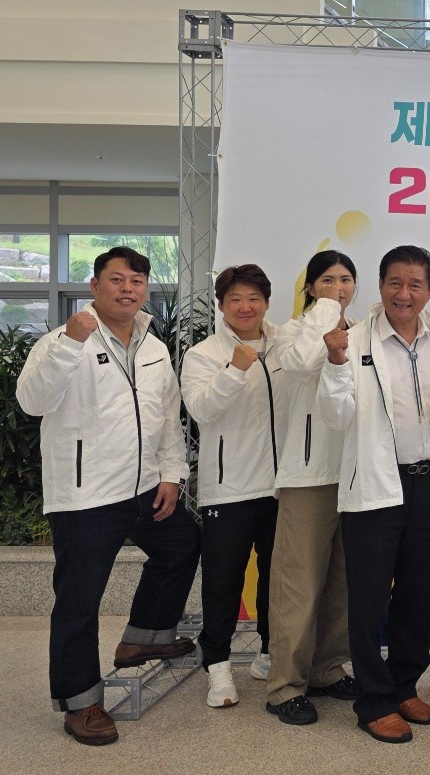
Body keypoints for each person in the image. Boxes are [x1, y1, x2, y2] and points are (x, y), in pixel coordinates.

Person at [17, 245, 200, 745]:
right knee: (79, 601)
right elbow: (32, 401)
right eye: (117, 279)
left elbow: (167, 418)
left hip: (143, 487)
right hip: (86, 496)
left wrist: (171, 475)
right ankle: (80, 702)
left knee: (182, 544)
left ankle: (143, 639)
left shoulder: (154, 348)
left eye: (136, 281)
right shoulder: (61, 340)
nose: (127, 289)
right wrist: (70, 344)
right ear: (95, 286)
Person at [316, 245, 430, 744]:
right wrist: (335, 363)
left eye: (415, 285)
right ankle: (374, 701)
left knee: (418, 592)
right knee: (368, 597)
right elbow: (336, 417)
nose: (404, 294)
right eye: (395, 283)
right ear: (380, 286)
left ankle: (404, 685)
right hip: (376, 482)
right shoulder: (353, 339)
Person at [180, 264, 287, 708]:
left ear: (267, 302)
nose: (245, 307)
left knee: (278, 580)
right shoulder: (203, 354)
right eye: (235, 299)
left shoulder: (285, 345)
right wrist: (235, 369)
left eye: (254, 298)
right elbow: (202, 410)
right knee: (223, 582)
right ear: (222, 306)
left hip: (282, 487)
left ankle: (268, 653)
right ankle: (218, 667)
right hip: (229, 489)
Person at [264, 250, 362, 725]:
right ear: (309, 288)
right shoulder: (291, 332)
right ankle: (285, 685)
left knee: (342, 585)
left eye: (345, 280)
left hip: (357, 475)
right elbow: (304, 363)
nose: (338, 288)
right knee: (298, 584)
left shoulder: (363, 332)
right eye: (327, 280)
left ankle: (327, 669)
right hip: (307, 476)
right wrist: (325, 310)